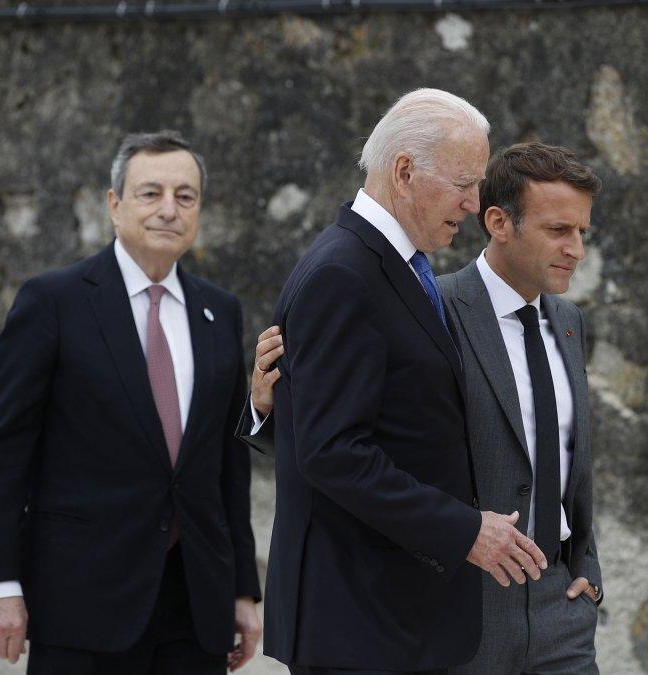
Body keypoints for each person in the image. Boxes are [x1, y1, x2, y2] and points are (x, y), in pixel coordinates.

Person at [246, 142, 606, 674]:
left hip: (561, 609)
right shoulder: (431, 310)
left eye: (582, 233)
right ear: (499, 222)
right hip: (466, 601)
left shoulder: (569, 322)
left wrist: (586, 565)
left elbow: (570, 454)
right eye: (559, 231)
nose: (576, 249)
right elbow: (360, 436)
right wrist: (271, 406)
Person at [0, 131, 261, 674]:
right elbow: (3, 456)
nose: (169, 210)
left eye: (185, 196)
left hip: (194, 605)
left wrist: (243, 589)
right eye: (150, 193)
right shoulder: (52, 302)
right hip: (83, 602)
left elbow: (228, 464)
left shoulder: (219, 313)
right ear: (114, 204)